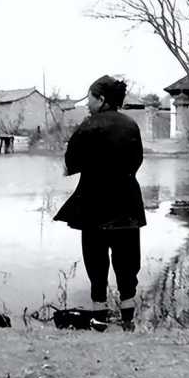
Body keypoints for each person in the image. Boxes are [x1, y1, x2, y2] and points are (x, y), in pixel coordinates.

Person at [54, 75, 146, 331]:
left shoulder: (88, 127)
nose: (86, 103)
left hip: (94, 204)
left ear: (101, 99)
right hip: (127, 203)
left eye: (89, 98)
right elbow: (137, 161)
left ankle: (99, 319)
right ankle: (128, 320)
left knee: (96, 263)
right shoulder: (131, 126)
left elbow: (67, 167)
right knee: (128, 264)